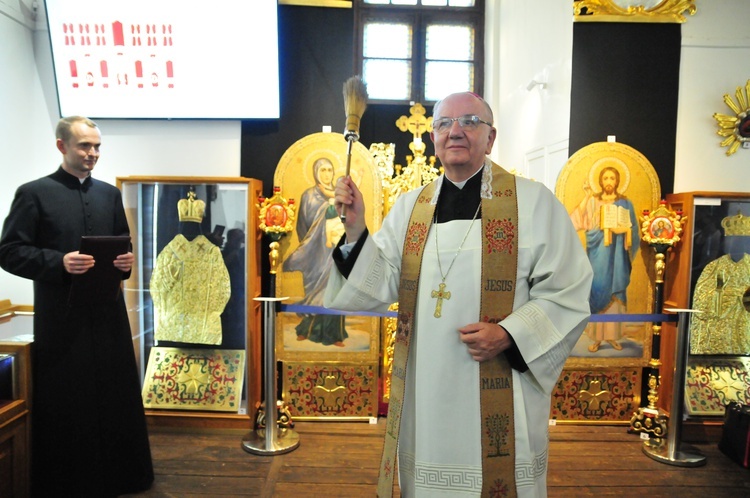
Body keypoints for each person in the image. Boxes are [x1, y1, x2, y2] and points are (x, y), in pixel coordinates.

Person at [325, 92, 593, 497]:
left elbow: (568, 291)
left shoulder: (533, 203)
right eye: (444, 124)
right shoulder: (411, 207)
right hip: (427, 386)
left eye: (469, 121)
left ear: (491, 137)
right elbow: (380, 283)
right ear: (433, 138)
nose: (455, 132)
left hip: (499, 376)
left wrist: (510, 334)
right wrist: (357, 229)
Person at [0, 116, 154, 496]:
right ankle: (71, 482)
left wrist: (126, 262)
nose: (92, 154)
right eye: (85, 146)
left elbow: (123, 243)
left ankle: (123, 475)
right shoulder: (33, 193)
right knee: (70, 398)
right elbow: (9, 252)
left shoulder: (108, 194)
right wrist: (59, 263)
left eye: (97, 147)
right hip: (61, 316)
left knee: (114, 393)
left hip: (108, 315)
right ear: (61, 146)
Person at [570, 165, 639, 353]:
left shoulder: (625, 203)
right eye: (606, 178)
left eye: (612, 178)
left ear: (617, 181)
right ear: (601, 181)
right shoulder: (593, 200)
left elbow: (634, 230)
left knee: (616, 294)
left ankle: (613, 336)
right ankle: (597, 337)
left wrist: (623, 231)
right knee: (597, 288)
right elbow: (576, 219)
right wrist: (586, 195)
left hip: (617, 256)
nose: (609, 182)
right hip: (598, 254)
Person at [283, 156, 348, 347]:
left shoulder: (339, 194)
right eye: (323, 171)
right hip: (314, 253)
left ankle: (334, 334)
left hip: (336, 252)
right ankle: (307, 329)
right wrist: (312, 243)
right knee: (314, 290)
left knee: (334, 290)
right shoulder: (308, 195)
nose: (327, 175)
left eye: (329, 170)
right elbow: (303, 224)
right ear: (315, 173)